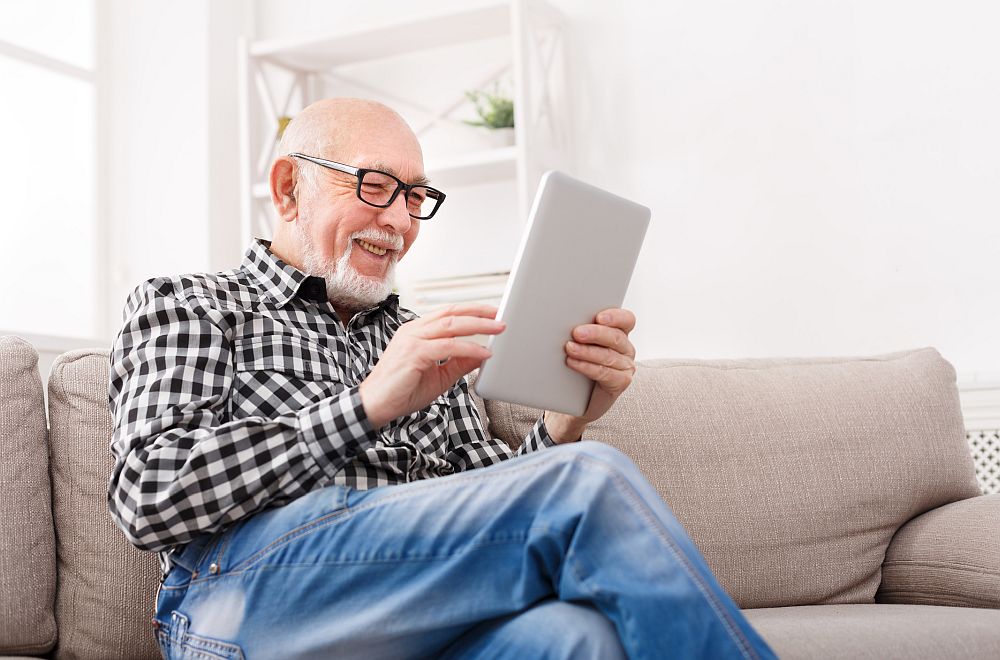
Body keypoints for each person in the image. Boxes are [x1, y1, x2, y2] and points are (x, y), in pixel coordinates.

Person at [108, 98, 775, 659]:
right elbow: (147, 494)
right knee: (590, 479)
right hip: (240, 600)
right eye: (375, 186)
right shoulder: (190, 304)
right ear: (288, 189)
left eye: (416, 197)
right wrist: (366, 405)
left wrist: (564, 421)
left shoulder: (431, 343)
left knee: (575, 636)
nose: (399, 221)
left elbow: (490, 505)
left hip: (415, 605)